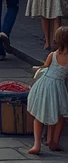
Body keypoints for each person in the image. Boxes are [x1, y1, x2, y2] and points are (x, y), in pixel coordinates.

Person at [27, 25, 68, 154]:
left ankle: (36, 145)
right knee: (59, 115)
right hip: (58, 87)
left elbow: (45, 67)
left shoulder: (52, 54)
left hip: (44, 85)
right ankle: (53, 141)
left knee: (39, 116)